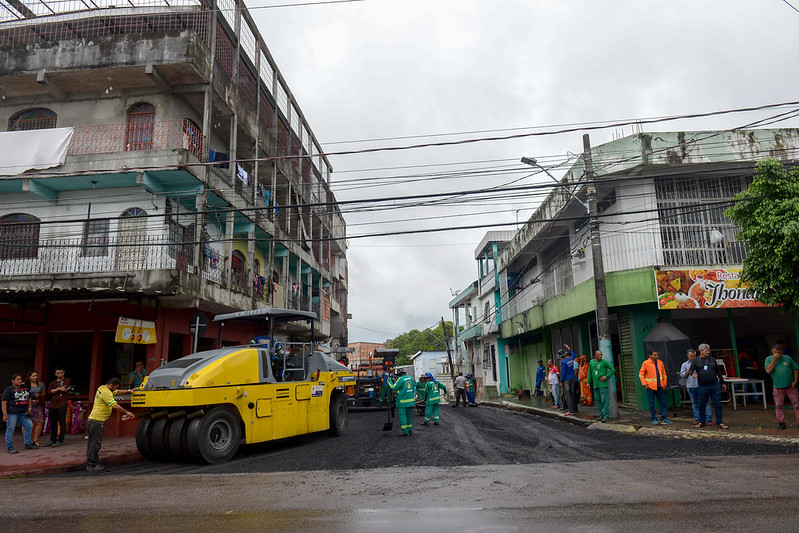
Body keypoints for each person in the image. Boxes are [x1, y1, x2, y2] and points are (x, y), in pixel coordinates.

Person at [86, 378, 134, 472]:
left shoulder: (102, 388)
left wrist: (128, 391)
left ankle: (90, 463)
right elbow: (114, 405)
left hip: (92, 420)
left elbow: (117, 392)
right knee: (96, 444)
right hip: (98, 421)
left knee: (91, 443)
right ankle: (92, 465)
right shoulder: (107, 393)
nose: (115, 390)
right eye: (115, 387)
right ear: (111, 385)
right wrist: (126, 412)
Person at [689, 343, 728, 429]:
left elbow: (718, 372)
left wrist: (723, 382)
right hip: (703, 386)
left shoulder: (712, 360)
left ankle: (719, 422)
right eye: (707, 351)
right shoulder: (696, 360)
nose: (708, 352)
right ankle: (702, 422)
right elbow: (691, 369)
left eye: (709, 350)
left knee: (717, 403)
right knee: (702, 404)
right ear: (701, 351)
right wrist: (692, 374)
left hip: (714, 385)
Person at [764, 343, 799, 430]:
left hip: (790, 386)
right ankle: (781, 422)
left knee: (797, 404)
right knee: (779, 405)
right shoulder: (769, 359)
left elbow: (795, 369)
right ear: (772, 351)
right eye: (774, 352)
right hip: (778, 387)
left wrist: (795, 381)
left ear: (782, 352)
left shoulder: (787, 358)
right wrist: (774, 360)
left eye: (778, 352)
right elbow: (768, 371)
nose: (776, 354)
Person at [639, 350, 673, 425]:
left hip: (660, 386)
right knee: (651, 403)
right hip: (650, 387)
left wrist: (664, 384)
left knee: (663, 403)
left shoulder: (660, 363)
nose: (657, 356)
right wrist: (644, 384)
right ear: (650, 355)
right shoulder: (646, 363)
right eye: (655, 355)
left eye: (657, 355)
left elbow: (664, 374)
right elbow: (641, 374)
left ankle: (664, 418)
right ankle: (653, 418)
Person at [2, 373, 34, 454]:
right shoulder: (9, 390)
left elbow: (29, 397)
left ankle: (27, 444)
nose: (20, 381)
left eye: (21, 379)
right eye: (18, 379)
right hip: (12, 413)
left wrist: (29, 407)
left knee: (29, 425)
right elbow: (4, 402)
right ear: (13, 381)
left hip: (23, 412)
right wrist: (5, 414)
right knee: (10, 429)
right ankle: (10, 446)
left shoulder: (24, 388)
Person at [681, 349, 712, 427]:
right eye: (691, 356)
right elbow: (683, 375)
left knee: (706, 402)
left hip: (701, 385)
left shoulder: (701, 362)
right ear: (688, 356)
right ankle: (698, 418)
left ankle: (709, 419)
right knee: (695, 403)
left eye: (694, 356)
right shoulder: (684, 364)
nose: (693, 358)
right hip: (691, 386)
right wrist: (690, 369)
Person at [43, 366, 70, 447]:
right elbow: (49, 391)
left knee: (62, 423)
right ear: (55, 374)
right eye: (58, 373)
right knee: (53, 423)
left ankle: (60, 440)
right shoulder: (52, 382)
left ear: (64, 372)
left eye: (61, 373)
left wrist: (54, 390)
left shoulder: (67, 380)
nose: (60, 374)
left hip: (62, 404)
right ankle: (52, 439)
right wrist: (58, 389)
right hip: (52, 405)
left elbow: (64, 388)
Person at [587, 350, 615, 422]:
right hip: (595, 385)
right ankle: (601, 415)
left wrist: (606, 376)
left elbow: (612, 370)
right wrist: (588, 382)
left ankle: (606, 415)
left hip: (603, 384)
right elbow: (589, 373)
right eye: (599, 355)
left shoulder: (604, 362)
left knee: (604, 400)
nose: (600, 356)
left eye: (601, 355)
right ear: (595, 355)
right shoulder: (591, 362)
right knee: (598, 400)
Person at [387, 369, 416, 436]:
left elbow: (393, 387)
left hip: (402, 401)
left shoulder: (401, 379)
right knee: (409, 416)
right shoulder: (410, 378)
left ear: (399, 375)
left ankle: (405, 432)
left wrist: (389, 381)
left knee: (403, 416)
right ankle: (410, 430)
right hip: (410, 401)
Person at [25, 370, 46, 448]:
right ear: (29, 377)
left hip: (37, 405)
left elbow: (44, 392)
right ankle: (27, 440)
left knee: (40, 422)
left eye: (36, 376)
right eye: (33, 376)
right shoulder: (25, 385)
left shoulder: (40, 384)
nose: (35, 377)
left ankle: (35, 440)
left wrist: (39, 394)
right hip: (27, 406)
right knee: (26, 424)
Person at [560, 345, 577, 415]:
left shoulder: (563, 362)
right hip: (572, 378)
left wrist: (561, 381)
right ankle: (574, 408)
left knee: (567, 395)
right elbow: (574, 354)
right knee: (572, 393)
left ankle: (570, 410)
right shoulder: (571, 359)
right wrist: (568, 348)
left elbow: (563, 372)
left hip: (566, 380)